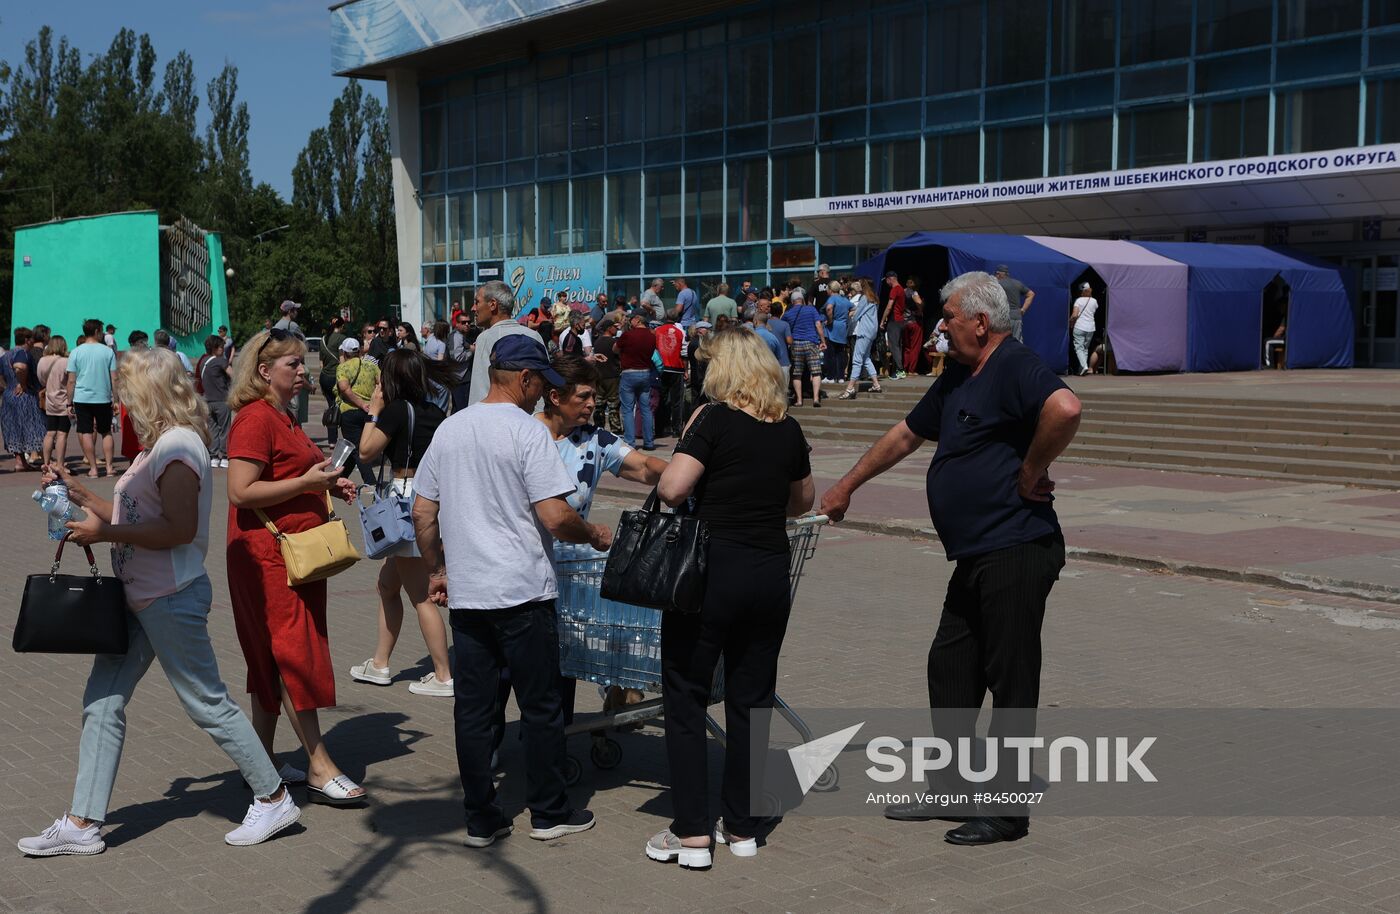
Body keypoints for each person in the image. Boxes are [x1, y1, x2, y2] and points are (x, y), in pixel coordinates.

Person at [819, 271, 1081, 846]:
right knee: (951, 666)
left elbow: (1064, 407)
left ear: (981, 323)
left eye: (950, 318)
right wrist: (847, 486)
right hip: (976, 553)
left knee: (1010, 677)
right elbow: (906, 435)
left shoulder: (1014, 364)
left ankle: (1008, 812)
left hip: (1017, 546)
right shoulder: (961, 375)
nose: (941, 326)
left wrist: (1031, 471)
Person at [17, 347, 301, 857]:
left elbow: (177, 529)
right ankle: (83, 822)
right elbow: (129, 512)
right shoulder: (159, 447)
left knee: (207, 703)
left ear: (149, 391)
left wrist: (103, 534)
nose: (121, 401)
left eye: (127, 391)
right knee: (102, 702)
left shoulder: (177, 448)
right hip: (140, 595)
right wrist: (81, 495)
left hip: (170, 595)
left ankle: (273, 795)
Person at [412, 334, 609, 848]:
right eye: (543, 382)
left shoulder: (451, 429)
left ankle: (482, 818)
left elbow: (423, 512)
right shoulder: (528, 434)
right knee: (540, 707)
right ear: (524, 379)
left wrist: (438, 569)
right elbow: (555, 516)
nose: (545, 392)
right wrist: (592, 534)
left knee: (475, 711)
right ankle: (548, 812)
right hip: (524, 592)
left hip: (471, 597)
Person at [646, 328, 815, 869]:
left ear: (722, 371)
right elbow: (801, 501)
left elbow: (672, 489)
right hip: (769, 573)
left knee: (686, 694)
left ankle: (692, 832)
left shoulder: (713, 419)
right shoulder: (788, 429)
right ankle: (741, 827)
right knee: (752, 698)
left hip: (710, 572)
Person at [226, 328, 366, 807]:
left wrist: (323, 483)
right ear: (265, 372)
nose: (304, 370)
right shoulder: (254, 419)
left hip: (291, 555)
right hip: (268, 559)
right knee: (291, 656)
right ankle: (319, 765)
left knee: (273, 656)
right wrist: (306, 481)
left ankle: (257, 762)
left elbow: (290, 475)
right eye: (293, 364)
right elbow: (240, 491)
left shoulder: (282, 416)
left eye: (302, 362)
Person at [537, 355, 667, 719]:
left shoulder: (595, 439)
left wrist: (683, 473)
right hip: (527, 563)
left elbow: (642, 466)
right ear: (554, 396)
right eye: (583, 396)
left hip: (572, 565)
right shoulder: (524, 434)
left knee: (579, 645)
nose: (593, 403)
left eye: (594, 395)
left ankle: (611, 690)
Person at [349, 349, 454, 697]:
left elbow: (365, 452)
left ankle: (442, 675)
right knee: (387, 585)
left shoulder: (395, 411)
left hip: (406, 506)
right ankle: (379, 664)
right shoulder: (436, 412)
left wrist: (373, 411)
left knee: (421, 596)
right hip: (430, 503)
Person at [469, 281, 543, 407]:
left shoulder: (485, 338)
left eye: (477, 302)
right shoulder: (534, 336)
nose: (473, 308)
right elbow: (540, 387)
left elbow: (479, 391)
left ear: (492, 304)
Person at [65, 319, 119, 479]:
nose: (103, 333)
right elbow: (114, 378)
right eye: (101, 330)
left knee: (86, 432)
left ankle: (93, 469)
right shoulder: (108, 352)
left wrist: (69, 401)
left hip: (82, 398)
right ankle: (109, 468)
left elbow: (71, 380)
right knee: (106, 431)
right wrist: (116, 399)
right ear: (96, 331)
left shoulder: (75, 352)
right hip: (103, 397)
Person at [335, 337, 380, 485]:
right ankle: (339, 477)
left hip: (349, 411)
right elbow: (381, 383)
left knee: (356, 448)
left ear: (345, 352)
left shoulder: (343, 367)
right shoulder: (371, 366)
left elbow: (344, 388)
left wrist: (360, 404)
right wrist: (371, 403)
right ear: (359, 351)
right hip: (369, 411)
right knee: (353, 445)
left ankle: (370, 482)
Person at [2, 327, 44, 472]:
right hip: (24, 397)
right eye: (31, 338)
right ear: (27, 340)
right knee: (32, 427)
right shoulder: (22, 353)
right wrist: (22, 383)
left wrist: (7, 386)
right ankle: (46, 459)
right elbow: (20, 367)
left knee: (14, 428)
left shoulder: (6, 355)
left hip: (9, 396)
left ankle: (20, 462)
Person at [616, 312, 657, 450]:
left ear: (638, 319)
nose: (629, 321)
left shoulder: (628, 335)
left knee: (627, 409)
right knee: (646, 409)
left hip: (629, 373)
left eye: (631, 318)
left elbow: (615, 348)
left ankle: (629, 442)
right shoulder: (652, 337)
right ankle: (649, 442)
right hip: (645, 373)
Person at [839, 278, 884, 400]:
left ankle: (850, 388)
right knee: (865, 358)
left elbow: (857, 315)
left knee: (857, 359)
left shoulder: (864, 298)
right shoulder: (875, 298)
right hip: (872, 331)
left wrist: (850, 315)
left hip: (864, 331)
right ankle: (876, 384)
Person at [784, 290, 826, 408]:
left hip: (796, 344)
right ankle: (816, 398)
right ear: (802, 299)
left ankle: (799, 400)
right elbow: (818, 325)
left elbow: (784, 328)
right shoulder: (811, 309)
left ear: (792, 302)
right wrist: (823, 341)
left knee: (797, 373)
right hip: (811, 343)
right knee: (816, 371)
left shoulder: (788, 313)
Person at [37, 334, 71, 469]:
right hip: (63, 400)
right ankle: (60, 464)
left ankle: (46, 463)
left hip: (49, 400)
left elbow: (41, 380)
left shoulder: (42, 360)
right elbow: (71, 381)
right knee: (62, 433)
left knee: (50, 432)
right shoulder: (66, 361)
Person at [200, 335, 233, 468]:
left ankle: (213, 456)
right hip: (221, 400)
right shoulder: (221, 361)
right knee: (224, 429)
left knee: (212, 429)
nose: (223, 349)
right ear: (215, 348)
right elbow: (233, 374)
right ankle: (224, 456)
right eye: (221, 347)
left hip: (207, 401)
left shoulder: (203, 361)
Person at [654, 312, 686, 437]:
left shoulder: (657, 330)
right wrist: (685, 370)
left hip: (661, 367)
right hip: (676, 368)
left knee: (660, 399)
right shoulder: (680, 332)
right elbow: (683, 352)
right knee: (676, 400)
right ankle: (676, 429)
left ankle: (659, 428)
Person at [319, 318, 349, 445]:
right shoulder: (341, 338)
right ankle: (347, 438)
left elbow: (321, 362)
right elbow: (342, 360)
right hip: (336, 377)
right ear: (341, 326)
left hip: (324, 377)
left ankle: (332, 440)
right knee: (341, 407)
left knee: (331, 406)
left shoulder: (323, 339)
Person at [591, 318, 623, 435]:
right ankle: (616, 430)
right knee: (613, 405)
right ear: (609, 328)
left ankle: (598, 429)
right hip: (612, 377)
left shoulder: (597, 342)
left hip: (599, 377)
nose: (616, 329)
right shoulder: (613, 342)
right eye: (614, 327)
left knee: (599, 404)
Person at [995, 265, 1035, 343]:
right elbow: (1031, 294)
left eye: (996, 274)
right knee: (1017, 341)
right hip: (1016, 317)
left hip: (1003, 317)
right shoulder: (1017, 283)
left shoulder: (997, 284)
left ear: (999, 274)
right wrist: (1023, 309)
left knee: (1002, 342)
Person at [880, 271, 908, 379]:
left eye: (886, 280)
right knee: (898, 346)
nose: (886, 283)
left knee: (893, 346)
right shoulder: (901, 289)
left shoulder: (895, 289)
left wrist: (882, 321)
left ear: (890, 279)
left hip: (895, 321)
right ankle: (898, 370)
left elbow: (889, 306)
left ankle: (900, 370)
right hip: (900, 321)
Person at [1070, 282, 1099, 376]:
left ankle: (1084, 366)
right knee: (1085, 349)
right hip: (1091, 328)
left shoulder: (1078, 300)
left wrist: (1070, 321)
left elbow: (1075, 315)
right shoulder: (1094, 301)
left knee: (1079, 348)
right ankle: (1081, 369)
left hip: (1079, 326)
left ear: (1081, 291)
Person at [903, 277, 927, 375]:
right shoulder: (914, 293)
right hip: (914, 322)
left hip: (904, 322)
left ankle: (904, 368)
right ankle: (911, 370)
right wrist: (921, 307)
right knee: (915, 347)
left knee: (906, 347)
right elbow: (919, 302)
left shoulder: (902, 292)